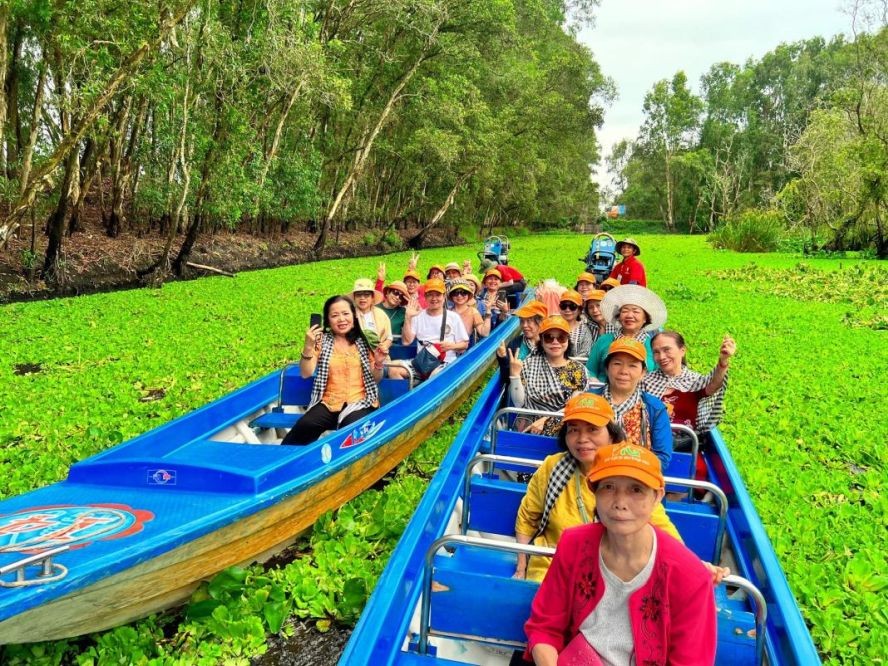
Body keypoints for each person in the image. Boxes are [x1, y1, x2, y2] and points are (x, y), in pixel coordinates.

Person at [523, 444, 718, 665]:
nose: (620, 503)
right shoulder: (574, 544)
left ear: (657, 496)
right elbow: (545, 627)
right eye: (608, 487)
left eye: (636, 489)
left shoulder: (690, 577)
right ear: (593, 492)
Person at [514, 393, 681, 582]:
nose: (582, 439)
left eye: (593, 429)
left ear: (611, 434)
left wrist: (690, 564)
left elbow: (661, 525)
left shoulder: (629, 472)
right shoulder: (553, 467)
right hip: (551, 566)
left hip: (609, 575)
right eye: (573, 430)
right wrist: (522, 565)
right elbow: (528, 516)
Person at [282, 296, 387, 445]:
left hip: (362, 400)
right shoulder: (321, 341)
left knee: (349, 432)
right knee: (305, 425)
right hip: (330, 402)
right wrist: (308, 346)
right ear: (328, 320)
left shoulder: (365, 340)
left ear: (354, 315)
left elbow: (376, 379)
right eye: (335, 315)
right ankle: (287, 462)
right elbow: (306, 373)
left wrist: (378, 363)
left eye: (345, 314)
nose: (341, 319)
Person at [590, 338, 672, 468]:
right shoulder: (589, 401)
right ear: (607, 368)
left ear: (643, 373)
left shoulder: (655, 409)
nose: (623, 371)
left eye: (632, 365)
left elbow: (662, 457)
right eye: (617, 363)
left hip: (637, 479)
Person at [507, 316, 588, 436]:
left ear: (567, 340)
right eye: (549, 337)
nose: (555, 342)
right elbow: (519, 403)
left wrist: (546, 420)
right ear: (542, 340)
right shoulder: (529, 364)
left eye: (561, 337)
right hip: (528, 425)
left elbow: (574, 406)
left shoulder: (578, 370)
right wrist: (515, 375)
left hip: (564, 427)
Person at [645, 331, 736, 436]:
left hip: (684, 445)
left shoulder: (694, 381)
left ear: (682, 351)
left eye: (667, 350)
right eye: (656, 352)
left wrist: (723, 360)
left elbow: (714, 384)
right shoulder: (646, 381)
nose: (661, 357)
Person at [585, 285, 667, 382]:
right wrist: (594, 380)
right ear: (619, 317)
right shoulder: (604, 340)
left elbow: (659, 373)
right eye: (625, 311)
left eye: (636, 311)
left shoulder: (652, 345)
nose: (629, 315)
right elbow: (590, 370)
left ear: (645, 318)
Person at [401, 279, 470, 378]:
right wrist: (408, 317)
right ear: (425, 297)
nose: (434, 298)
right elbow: (406, 342)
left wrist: (451, 346)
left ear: (444, 296)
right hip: (422, 363)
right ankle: (409, 392)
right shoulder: (418, 316)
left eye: (437, 295)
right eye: (430, 295)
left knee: (435, 376)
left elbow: (465, 344)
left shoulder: (453, 317)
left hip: (445, 362)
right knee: (394, 370)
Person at [496, 299, 548, 384]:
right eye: (522, 321)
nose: (524, 325)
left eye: (529, 321)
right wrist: (503, 358)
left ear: (541, 321)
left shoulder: (552, 343)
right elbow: (506, 379)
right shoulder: (515, 344)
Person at [350, 278, 392, 352]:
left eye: (366, 295)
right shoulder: (349, 314)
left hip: (378, 354)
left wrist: (384, 346)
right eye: (358, 295)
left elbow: (389, 337)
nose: (362, 298)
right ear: (354, 297)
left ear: (372, 297)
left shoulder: (381, 314)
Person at [449, 278, 489, 345]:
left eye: (463, 292)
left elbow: (484, 332)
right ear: (451, 296)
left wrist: (488, 312)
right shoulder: (447, 312)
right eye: (455, 293)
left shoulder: (473, 311)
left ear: (468, 295)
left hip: (467, 350)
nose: (459, 296)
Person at [558, 289, 593, 358]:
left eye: (572, 307)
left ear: (579, 310)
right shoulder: (553, 325)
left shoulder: (584, 330)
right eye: (564, 306)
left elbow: (585, 353)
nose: (567, 310)